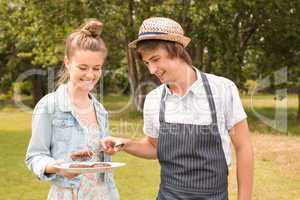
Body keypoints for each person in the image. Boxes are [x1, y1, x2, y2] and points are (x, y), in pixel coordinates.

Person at [101, 17, 254, 200]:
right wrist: (124, 143)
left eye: (156, 59)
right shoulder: (154, 100)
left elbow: (243, 147)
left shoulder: (222, 89)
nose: (152, 70)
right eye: (147, 63)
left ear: (177, 50)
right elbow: (153, 147)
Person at [26, 19, 119, 200]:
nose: (90, 75)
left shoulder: (100, 110)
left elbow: (98, 159)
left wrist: (107, 148)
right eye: (83, 67)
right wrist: (58, 167)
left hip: (105, 194)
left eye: (97, 68)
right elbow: (35, 157)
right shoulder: (49, 106)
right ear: (67, 62)